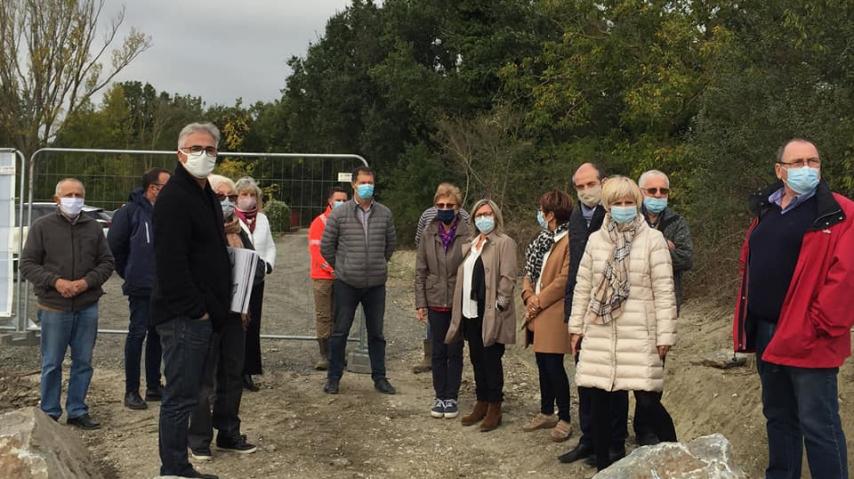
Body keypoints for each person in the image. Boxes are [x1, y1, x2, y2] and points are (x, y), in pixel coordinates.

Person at [733, 138, 853, 479]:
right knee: (779, 418)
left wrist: (821, 323)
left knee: (819, 424)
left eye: (812, 161)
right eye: (797, 162)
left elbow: (846, 277)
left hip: (810, 334)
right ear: (779, 170)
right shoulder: (767, 209)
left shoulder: (839, 211)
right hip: (767, 330)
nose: (806, 168)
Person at [568, 176, 678, 471]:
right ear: (607, 206)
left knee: (648, 402)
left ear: (637, 204)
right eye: (617, 203)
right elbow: (583, 287)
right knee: (600, 405)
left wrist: (664, 335)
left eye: (629, 202)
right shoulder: (596, 240)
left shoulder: (653, 240)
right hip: (601, 330)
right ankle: (604, 468)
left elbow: (665, 291)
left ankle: (677, 459)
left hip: (639, 334)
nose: (624, 207)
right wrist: (576, 327)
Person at [151, 122, 229, 479]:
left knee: (194, 390)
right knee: (180, 396)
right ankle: (173, 468)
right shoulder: (174, 198)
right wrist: (196, 309)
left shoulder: (206, 194)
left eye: (210, 150)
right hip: (184, 316)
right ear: (180, 153)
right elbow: (170, 262)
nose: (204, 155)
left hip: (204, 312)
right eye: (196, 148)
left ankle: (178, 465)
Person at [20, 178, 115, 430]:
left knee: (83, 361)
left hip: (87, 305)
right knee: (52, 362)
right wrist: (56, 282)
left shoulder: (93, 228)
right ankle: (49, 411)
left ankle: (77, 410)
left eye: (78, 194)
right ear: (57, 199)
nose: (74, 199)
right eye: (69, 194)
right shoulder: (42, 227)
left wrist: (86, 282)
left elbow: (106, 262)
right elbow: (27, 263)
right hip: (54, 305)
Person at [188, 174, 262, 462]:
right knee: (203, 379)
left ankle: (229, 432)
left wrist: (245, 307)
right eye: (222, 197)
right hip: (206, 314)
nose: (229, 202)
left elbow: (252, 267)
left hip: (235, 315)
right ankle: (198, 439)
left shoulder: (240, 231)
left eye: (233, 197)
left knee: (232, 374)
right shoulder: (197, 231)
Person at [559, 163, 628, 465]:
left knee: (614, 381)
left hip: (611, 311)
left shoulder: (614, 213)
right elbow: (575, 269)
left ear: (602, 182)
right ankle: (589, 438)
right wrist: (571, 313)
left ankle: (615, 442)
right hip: (581, 308)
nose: (586, 191)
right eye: (580, 186)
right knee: (585, 379)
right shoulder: (575, 217)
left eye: (591, 184)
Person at [320, 166, 397, 395]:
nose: (367, 187)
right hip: (347, 283)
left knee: (376, 334)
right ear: (354, 184)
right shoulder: (340, 213)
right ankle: (333, 378)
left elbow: (390, 245)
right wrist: (343, 266)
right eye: (363, 182)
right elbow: (327, 246)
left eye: (370, 183)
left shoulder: (384, 213)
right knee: (340, 332)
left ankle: (380, 377)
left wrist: (377, 263)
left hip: (375, 284)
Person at [445, 199, 517, 432]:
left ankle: (495, 407)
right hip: (470, 311)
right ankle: (482, 401)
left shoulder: (504, 243)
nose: (484, 218)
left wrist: (500, 304)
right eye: (479, 214)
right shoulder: (471, 244)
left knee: (491, 360)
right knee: (476, 358)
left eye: (488, 214)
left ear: (496, 216)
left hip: (491, 312)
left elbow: (508, 277)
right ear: (473, 218)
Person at [635, 169, 693, 445]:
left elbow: (685, 258)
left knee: (654, 373)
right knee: (635, 373)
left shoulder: (677, 222)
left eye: (663, 191)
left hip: (664, 309)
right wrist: (663, 246)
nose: (658, 196)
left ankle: (647, 430)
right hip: (633, 309)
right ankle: (644, 429)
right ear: (641, 193)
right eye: (652, 191)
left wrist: (661, 247)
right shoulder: (630, 218)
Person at [109, 168, 170, 411]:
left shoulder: (168, 213)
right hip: (141, 286)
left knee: (158, 335)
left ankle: (154, 386)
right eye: (166, 186)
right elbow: (115, 246)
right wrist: (131, 272)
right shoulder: (129, 212)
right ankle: (131, 390)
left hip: (165, 286)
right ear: (153, 188)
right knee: (137, 334)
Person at [414, 183, 471, 419]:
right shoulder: (428, 233)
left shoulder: (468, 233)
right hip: (435, 297)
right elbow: (420, 270)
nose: (445, 209)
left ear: (458, 207)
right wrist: (420, 302)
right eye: (441, 205)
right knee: (438, 350)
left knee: (455, 349)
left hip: (458, 299)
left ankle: (452, 396)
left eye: (450, 205)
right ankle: (439, 395)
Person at [521, 190, 573, 442]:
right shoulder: (541, 240)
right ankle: (545, 411)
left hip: (552, 310)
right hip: (536, 310)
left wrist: (538, 301)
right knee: (541, 363)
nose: (539, 214)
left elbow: (564, 279)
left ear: (550, 214)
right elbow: (529, 272)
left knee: (554, 365)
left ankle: (564, 417)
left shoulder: (569, 240)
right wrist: (527, 294)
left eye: (542, 210)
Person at [234, 176, 277, 391]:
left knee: (253, 325)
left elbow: (270, 245)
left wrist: (268, 264)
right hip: (237, 278)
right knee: (236, 325)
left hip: (257, 279)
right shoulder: (231, 218)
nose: (248, 199)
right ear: (237, 197)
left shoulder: (263, 219)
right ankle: (233, 370)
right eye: (244, 194)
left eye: (252, 195)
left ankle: (248, 371)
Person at [309, 186, 348, 370]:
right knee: (324, 315)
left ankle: (338, 353)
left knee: (340, 316)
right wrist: (332, 269)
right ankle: (324, 355)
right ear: (330, 201)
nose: (341, 203)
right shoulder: (319, 222)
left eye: (344, 200)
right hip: (322, 277)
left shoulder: (349, 221)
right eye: (338, 199)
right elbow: (316, 251)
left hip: (343, 276)